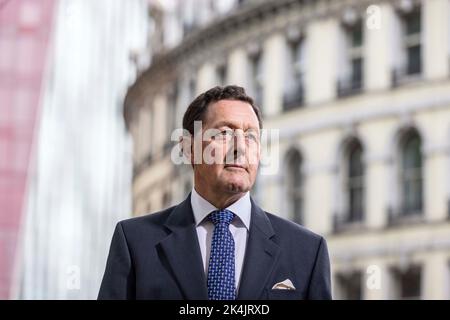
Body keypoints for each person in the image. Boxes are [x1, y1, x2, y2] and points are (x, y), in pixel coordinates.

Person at [98, 85, 331, 300]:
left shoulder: (307, 252)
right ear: (188, 148)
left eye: (251, 136)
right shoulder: (135, 242)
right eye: (224, 134)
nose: (240, 148)